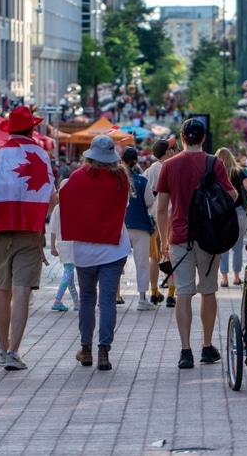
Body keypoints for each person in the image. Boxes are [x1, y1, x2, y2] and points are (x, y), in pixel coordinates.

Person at [156, 117, 237, 369]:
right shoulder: (214, 163)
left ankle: (185, 350)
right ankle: (206, 346)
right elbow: (232, 195)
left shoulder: (168, 166)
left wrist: (163, 241)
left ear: (181, 138)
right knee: (208, 290)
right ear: (203, 138)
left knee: (183, 293)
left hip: (179, 236)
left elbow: (161, 208)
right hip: (209, 237)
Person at [0, 106, 56, 371]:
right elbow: (51, 195)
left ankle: (2, 349)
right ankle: (15, 351)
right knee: (22, 292)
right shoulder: (41, 155)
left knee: (2, 292)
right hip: (30, 233)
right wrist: (38, 221)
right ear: (31, 129)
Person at [60, 136, 132, 371]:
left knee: (88, 299)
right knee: (108, 300)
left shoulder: (78, 177)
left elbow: (64, 196)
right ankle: (104, 351)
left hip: (85, 250)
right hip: (114, 247)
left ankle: (86, 349)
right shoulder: (121, 178)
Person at [122, 146, 156, 310]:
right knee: (141, 262)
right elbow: (150, 203)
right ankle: (142, 298)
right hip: (141, 226)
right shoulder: (142, 181)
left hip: (121, 226)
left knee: (115, 262)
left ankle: (111, 296)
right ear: (136, 161)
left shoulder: (117, 180)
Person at [142, 138, 176, 305]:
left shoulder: (149, 172)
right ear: (168, 152)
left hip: (154, 217)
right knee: (172, 255)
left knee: (154, 257)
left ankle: (154, 291)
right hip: (173, 217)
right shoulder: (175, 169)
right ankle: (171, 293)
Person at [216, 147, 247, 287]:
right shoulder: (239, 171)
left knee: (223, 246)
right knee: (237, 246)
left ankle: (224, 278)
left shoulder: (215, 172)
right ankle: (237, 277)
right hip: (238, 212)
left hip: (221, 212)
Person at [48, 182, 80, 311]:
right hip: (73, 244)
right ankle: (57, 300)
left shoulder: (57, 208)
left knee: (69, 274)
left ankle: (77, 302)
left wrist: (53, 247)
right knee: (68, 272)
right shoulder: (77, 208)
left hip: (62, 244)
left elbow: (52, 230)